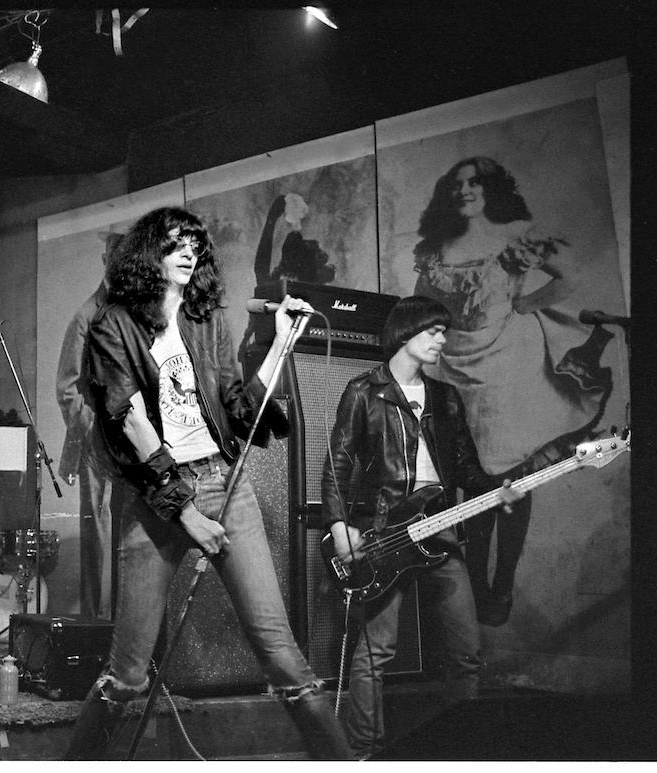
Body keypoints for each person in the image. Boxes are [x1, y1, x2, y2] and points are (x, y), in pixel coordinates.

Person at [64, 206, 352, 761]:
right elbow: (128, 420)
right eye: (175, 242)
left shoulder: (205, 322)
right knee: (126, 677)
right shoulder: (112, 325)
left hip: (227, 483)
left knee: (284, 657)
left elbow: (241, 409)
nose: (189, 250)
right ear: (149, 253)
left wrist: (282, 343)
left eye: (195, 242)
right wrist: (185, 511)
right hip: (158, 501)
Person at [412, 156, 612, 625]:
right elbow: (422, 305)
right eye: (457, 183)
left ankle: (502, 584)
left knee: (513, 481)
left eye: (475, 183)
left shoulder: (518, 233)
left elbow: (572, 277)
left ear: (492, 189)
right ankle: (478, 587)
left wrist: (527, 303)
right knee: (476, 484)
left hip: (509, 366)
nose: (465, 191)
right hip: (455, 368)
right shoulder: (436, 247)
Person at [321, 294, 522, 759]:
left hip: (442, 530)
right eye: (433, 331)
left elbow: (467, 469)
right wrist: (338, 524)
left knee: (466, 651)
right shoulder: (364, 391)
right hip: (385, 532)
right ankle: (364, 753)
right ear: (406, 332)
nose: (442, 340)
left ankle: (461, 750)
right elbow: (337, 463)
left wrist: (498, 489)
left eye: (444, 332)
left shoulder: (445, 397)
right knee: (376, 654)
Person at [55, 231, 122, 620]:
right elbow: (66, 388)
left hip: (136, 445)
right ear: (106, 262)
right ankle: (98, 628)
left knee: (132, 539)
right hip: (97, 445)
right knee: (99, 538)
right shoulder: (85, 317)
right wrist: (94, 427)